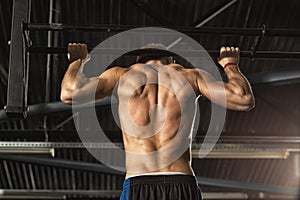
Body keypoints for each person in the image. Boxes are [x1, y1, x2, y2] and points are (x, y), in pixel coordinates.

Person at [61, 43, 255, 200]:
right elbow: (243, 99)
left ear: (139, 59)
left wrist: (78, 61)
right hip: (182, 181)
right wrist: (230, 65)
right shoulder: (190, 76)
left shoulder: (122, 75)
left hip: (138, 181)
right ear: (170, 59)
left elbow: (69, 93)